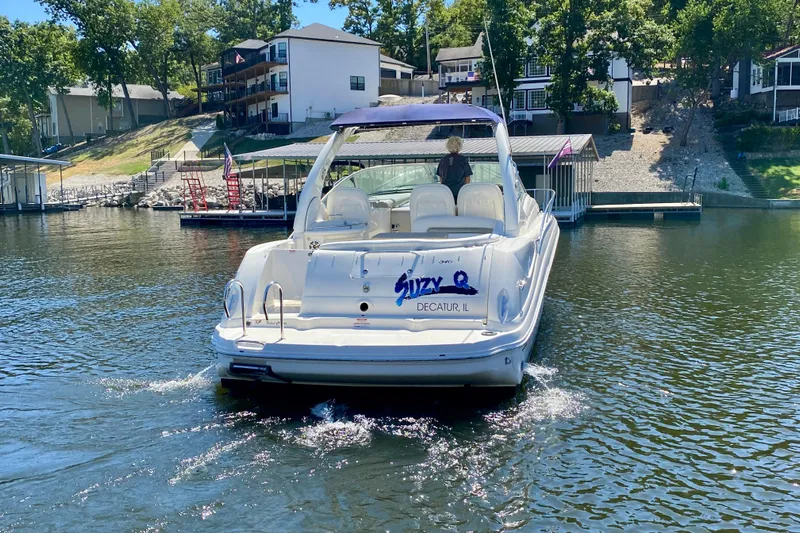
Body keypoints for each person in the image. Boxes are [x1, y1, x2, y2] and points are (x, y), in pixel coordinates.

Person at [436, 136, 472, 200]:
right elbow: (467, 178)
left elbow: (441, 177)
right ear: (459, 146)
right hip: (460, 192)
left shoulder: (443, 160)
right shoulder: (463, 159)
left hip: (446, 192)